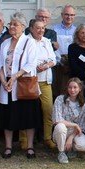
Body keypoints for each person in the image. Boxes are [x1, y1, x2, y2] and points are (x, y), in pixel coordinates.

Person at [0, 12, 40, 159]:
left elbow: (31, 63)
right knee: (7, 115)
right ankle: (8, 146)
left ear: (23, 27)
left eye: (15, 24)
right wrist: (3, 81)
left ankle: (30, 147)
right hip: (7, 84)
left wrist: (15, 77)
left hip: (22, 83)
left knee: (28, 116)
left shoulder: (29, 42)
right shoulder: (5, 43)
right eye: (11, 24)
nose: (12, 27)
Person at [28, 19, 58, 150]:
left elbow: (54, 59)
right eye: (38, 28)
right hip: (30, 81)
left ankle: (47, 138)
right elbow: (24, 60)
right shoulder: (26, 41)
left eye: (43, 28)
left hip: (45, 81)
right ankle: (25, 139)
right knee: (27, 111)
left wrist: (46, 65)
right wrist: (36, 66)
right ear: (31, 29)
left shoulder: (46, 41)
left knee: (48, 110)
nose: (41, 31)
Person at [52, 78, 85, 164]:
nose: (72, 90)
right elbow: (57, 120)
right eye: (70, 87)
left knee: (83, 146)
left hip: (74, 132)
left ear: (80, 89)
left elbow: (82, 126)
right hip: (61, 130)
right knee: (60, 127)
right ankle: (61, 152)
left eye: (75, 87)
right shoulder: (60, 99)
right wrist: (75, 125)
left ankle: (71, 148)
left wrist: (71, 137)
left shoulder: (82, 105)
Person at [67, 23, 85, 101]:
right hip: (77, 81)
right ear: (77, 34)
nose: (84, 35)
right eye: (82, 33)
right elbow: (73, 65)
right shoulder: (72, 47)